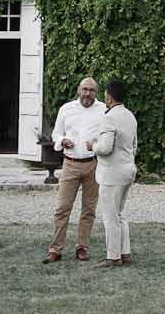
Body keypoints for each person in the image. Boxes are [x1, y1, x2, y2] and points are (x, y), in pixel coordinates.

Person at [44, 77, 105, 262]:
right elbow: (55, 132)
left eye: (91, 90)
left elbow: (108, 135)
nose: (88, 93)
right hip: (70, 163)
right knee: (62, 208)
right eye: (85, 89)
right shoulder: (66, 109)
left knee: (89, 209)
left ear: (96, 92)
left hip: (93, 164)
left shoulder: (103, 110)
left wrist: (97, 143)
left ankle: (82, 247)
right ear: (79, 90)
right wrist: (62, 140)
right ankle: (55, 249)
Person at [94, 79, 139, 266]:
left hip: (111, 173)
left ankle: (113, 256)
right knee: (120, 214)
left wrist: (92, 145)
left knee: (110, 216)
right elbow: (134, 145)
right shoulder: (130, 116)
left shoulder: (109, 117)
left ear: (110, 97)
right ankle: (125, 252)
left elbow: (105, 148)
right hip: (128, 169)